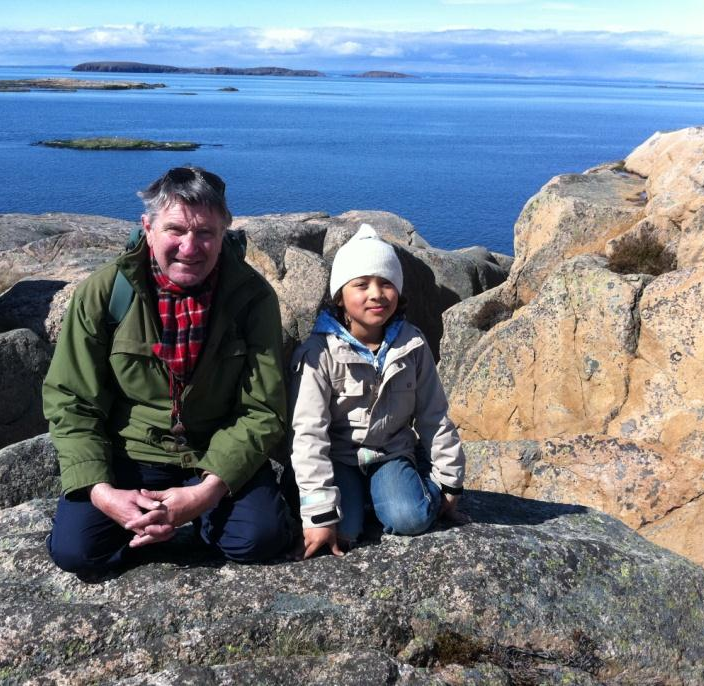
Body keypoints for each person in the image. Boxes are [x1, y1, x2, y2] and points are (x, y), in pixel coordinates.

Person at [43, 166, 291, 579]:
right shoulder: (105, 293)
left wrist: (204, 494)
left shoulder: (250, 297)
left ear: (224, 232)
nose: (190, 247)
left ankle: (189, 521)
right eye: (176, 229)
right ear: (148, 228)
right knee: (77, 553)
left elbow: (263, 408)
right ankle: (155, 526)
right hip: (132, 453)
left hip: (215, 453)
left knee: (258, 539)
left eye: (206, 233)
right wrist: (104, 495)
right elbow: (71, 400)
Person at [289, 224, 467, 559]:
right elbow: (308, 433)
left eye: (386, 283)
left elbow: (434, 414)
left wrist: (448, 482)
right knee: (344, 530)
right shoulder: (318, 352)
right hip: (339, 456)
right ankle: (361, 500)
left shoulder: (412, 345)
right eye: (361, 284)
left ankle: (403, 488)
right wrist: (318, 512)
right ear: (340, 295)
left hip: (391, 452)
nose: (376, 294)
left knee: (409, 518)